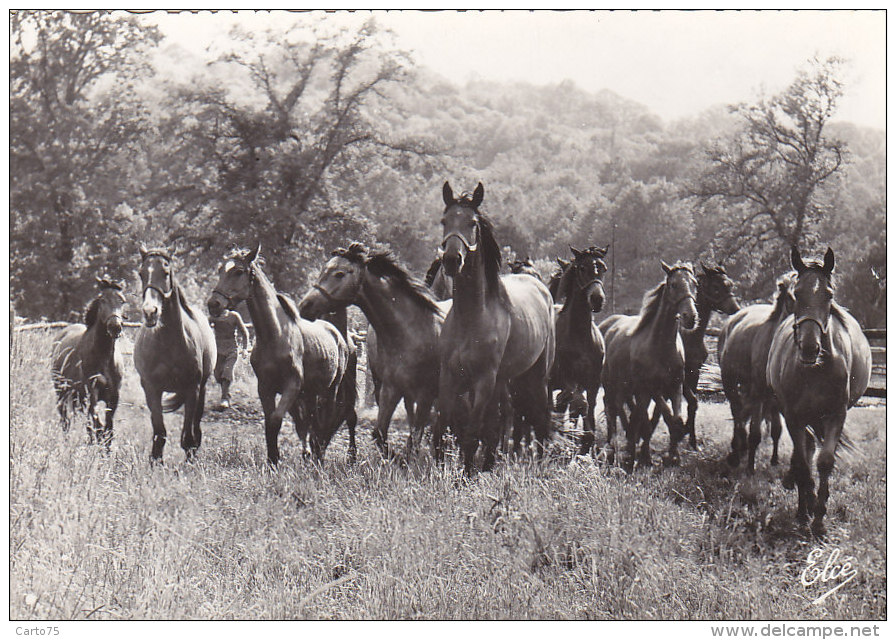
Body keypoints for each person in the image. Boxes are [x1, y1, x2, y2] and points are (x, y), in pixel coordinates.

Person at [208, 308, 249, 409]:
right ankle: (226, 394)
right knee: (218, 375)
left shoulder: (234, 316)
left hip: (231, 349)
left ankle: (225, 398)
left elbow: (244, 332)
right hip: (217, 349)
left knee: (227, 371)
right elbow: (205, 329)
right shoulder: (214, 317)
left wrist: (244, 349)